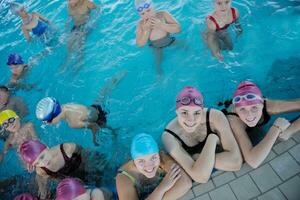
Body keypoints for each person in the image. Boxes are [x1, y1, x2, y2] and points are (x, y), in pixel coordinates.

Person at [162, 86, 242, 183]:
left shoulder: (216, 117)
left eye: (196, 113)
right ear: (177, 112)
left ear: (202, 110)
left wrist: (210, 141)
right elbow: (201, 178)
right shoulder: (169, 136)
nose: (191, 119)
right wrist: (213, 140)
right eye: (184, 112)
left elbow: (236, 163)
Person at [221, 81, 300, 168]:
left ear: (262, 104)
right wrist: (275, 128)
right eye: (242, 109)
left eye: (254, 107)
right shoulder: (233, 121)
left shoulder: (271, 106)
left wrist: (291, 130)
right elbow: (253, 161)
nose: (249, 115)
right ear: (236, 109)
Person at [35, 71, 126, 146]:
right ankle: (121, 74)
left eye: (48, 122)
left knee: (110, 131)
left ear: (55, 116)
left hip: (99, 119)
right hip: (93, 108)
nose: (48, 124)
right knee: (105, 90)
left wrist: (94, 139)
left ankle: (115, 135)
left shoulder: (73, 123)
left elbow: (94, 126)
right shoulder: (65, 106)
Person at [19, 140, 107, 199]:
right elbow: (44, 190)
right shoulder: (41, 170)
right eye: (37, 163)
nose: (43, 163)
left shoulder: (68, 148)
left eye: (42, 156)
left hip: (82, 167)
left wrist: (91, 171)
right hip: (68, 179)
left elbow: (86, 155)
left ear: (47, 147)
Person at [116, 133, 192, 200]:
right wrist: (161, 188)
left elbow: (186, 183)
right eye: (141, 161)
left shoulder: (162, 158)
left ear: (158, 155)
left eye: (153, 158)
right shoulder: (124, 177)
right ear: (134, 161)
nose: (149, 167)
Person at [135, 0, 181, 74]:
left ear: (153, 7)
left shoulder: (163, 14)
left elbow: (178, 29)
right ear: (139, 15)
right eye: (143, 13)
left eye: (148, 10)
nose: (147, 15)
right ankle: (160, 78)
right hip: (156, 47)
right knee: (158, 65)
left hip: (170, 40)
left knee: (186, 46)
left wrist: (161, 25)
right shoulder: (140, 24)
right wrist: (146, 30)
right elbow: (139, 44)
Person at [62, 0, 98, 72]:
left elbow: (98, 10)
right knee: (69, 46)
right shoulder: (69, 6)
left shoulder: (86, 3)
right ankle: (65, 65)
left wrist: (93, 22)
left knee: (79, 45)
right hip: (76, 27)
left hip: (86, 25)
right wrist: (66, 27)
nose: (68, 2)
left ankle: (79, 64)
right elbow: (70, 18)